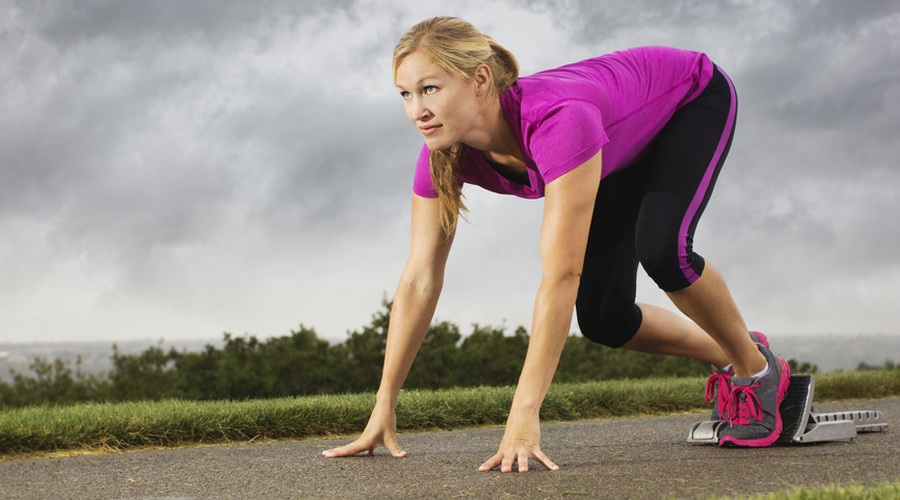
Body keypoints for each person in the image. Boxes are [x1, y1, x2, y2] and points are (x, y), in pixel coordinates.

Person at [322, 16, 791, 472]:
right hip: (614, 146)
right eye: (405, 94)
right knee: (606, 318)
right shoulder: (442, 155)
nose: (416, 110)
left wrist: (524, 414)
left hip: (687, 99)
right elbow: (420, 278)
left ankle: (758, 373)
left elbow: (562, 275)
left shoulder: (557, 120)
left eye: (430, 89)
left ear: (479, 80)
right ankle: (729, 351)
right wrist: (383, 404)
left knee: (664, 251)